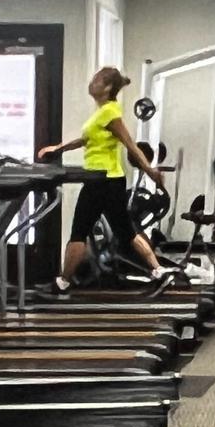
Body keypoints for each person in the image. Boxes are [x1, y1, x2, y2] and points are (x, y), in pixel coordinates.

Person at [37, 66, 168, 291]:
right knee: (126, 232)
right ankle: (158, 271)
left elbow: (130, 144)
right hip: (105, 180)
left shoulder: (109, 112)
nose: (92, 82)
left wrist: (149, 170)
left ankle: (62, 282)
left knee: (79, 230)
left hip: (103, 180)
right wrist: (59, 148)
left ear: (107, 88)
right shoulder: (102, 112)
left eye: (97, 79)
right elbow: (86, 140)